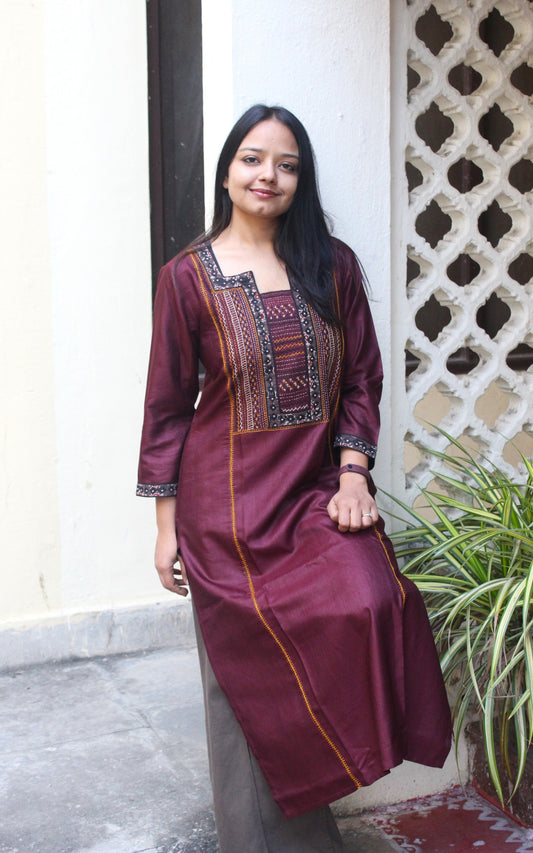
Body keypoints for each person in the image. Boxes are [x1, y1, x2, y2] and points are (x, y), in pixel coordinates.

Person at [137, 104, 452, 852]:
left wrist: (353, 475)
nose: (267, 176)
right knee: (244, 679)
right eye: (252, 159)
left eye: (286, 164)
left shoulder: (331, 266)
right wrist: (165, 527)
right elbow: (166, 408)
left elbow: (363, 380)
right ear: (226, 171)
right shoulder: (187, 278)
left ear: (300, 181)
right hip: (223, 511)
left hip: (311, 494)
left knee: (371, 597)